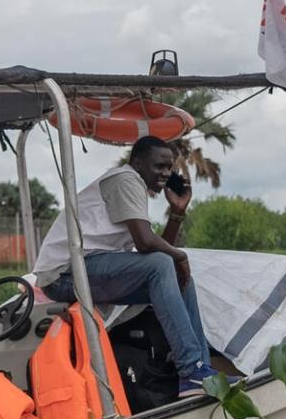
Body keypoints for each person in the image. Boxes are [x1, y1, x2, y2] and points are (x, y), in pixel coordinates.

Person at [29, 135, 213, 397]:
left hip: (90, 267)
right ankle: (191, 368)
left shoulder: (133, 184)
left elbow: (153, 252)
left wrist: (177, 212)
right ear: (137, 163)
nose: (165, 173)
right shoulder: (126, 179)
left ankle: (199, 372)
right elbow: (148, 244)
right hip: (64, 274)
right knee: (169, 264)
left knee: (178, 275)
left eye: (169, 167)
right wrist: (180, 256)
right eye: (159, 166)